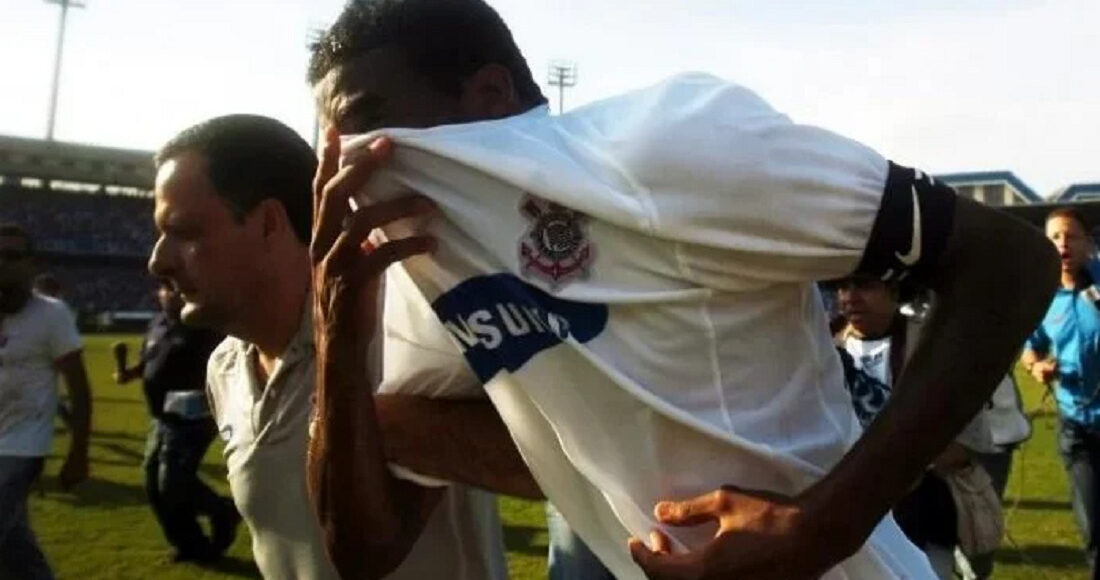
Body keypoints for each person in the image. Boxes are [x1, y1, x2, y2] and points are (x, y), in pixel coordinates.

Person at [304, 1, 1058, 579]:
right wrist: (337, 344)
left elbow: (1009, 260)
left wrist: (827, 521)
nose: (339, 167)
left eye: (362, 125)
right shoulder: (428, 260)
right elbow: (365, 549)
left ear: (490, 95)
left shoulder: (665, 144)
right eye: (327, 144)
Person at [146, 114, 508, 580]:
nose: (158, 261)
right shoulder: (225, 367)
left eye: (186, 232)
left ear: (270, 224)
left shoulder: (403, 338)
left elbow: (367, 550)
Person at [833, 274, 1000, 579]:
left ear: (895, 290)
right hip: (851, 516)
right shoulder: (825, 347)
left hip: (924, 513)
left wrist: (905, 466)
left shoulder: (936, 347)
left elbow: (967, 440)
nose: (850, 297)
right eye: (844, 287)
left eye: (865, 285)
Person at [113, 279, 239, 563]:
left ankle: (220, 512)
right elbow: (149, 362)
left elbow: (228, 366)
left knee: (172, 483)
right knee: (153, 484)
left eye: (179, 288)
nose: (174, 293)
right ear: (158, 293)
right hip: (160, 418)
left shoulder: (204, 327)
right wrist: (128, 373)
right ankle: (189, 543)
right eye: (168, 288)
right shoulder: (157, 324)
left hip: (193, 418)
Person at [0, 223, 91, 580]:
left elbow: (79, 388)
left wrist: (78, 451)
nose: (3, 263)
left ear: (31, 264)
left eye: (12, 256)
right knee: (14, 543)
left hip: (24, 445)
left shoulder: (51, 315)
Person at [1021, 207, 1100, 578]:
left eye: (1072, 236)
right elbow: (1029, 347)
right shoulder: (1040, 297)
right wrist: (1038, 366)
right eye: (1055, 237)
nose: (1063, 244)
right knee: (1094, 527)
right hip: (1076, 429)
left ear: (1088, 244)